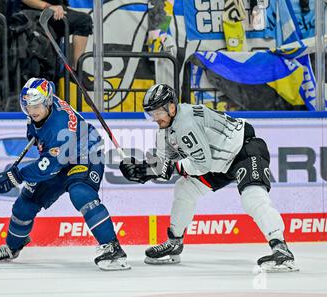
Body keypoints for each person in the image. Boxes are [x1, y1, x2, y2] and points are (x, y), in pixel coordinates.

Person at [119, 83, 299, 272]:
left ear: (171, 107)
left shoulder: (185, 122)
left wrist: (161, 168)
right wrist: (143, 170)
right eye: (151, 114)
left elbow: (199, 164)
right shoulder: (164, 130)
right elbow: (165, 167)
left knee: (252, 197)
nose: (155, 118)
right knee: (184, 189)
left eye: (158, 112)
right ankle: (174, 242)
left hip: (244, 151)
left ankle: (281, 250)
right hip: (218, 163)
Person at [0, 77, 130, 271]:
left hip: (85, 157)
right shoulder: (43, 109)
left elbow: (47, 167)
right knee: (24, 204)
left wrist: (14, 176)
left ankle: (113, 248)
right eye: (27, 105)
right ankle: (12, 247)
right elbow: (41, 142)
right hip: (60, 157)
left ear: (47, 102)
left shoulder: (59, 126)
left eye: (36, 105)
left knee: (81, 193)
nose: (31, 110)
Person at [20, 0, 92, 75]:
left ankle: (76, 72)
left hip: (55, 9)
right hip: (33, 13)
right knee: (83, 20)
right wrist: (48, 6)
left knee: (84, 21)